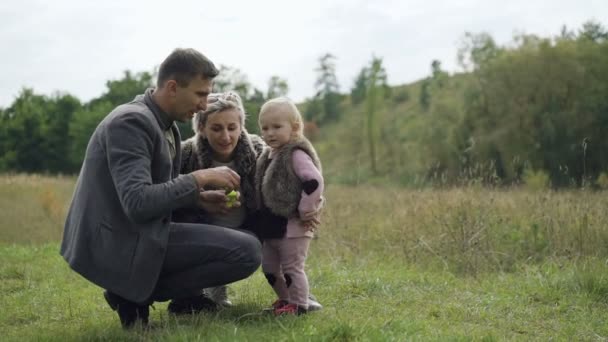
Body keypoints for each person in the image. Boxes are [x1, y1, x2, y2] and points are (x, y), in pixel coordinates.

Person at [60, 48, 261, 329]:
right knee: (247, 251)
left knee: (248, 243)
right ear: (172, 87)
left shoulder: (164, 124)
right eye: (200, 95)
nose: (204, 105)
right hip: (117, 241)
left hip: (137, 231)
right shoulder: (131, 122)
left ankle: (132, 294)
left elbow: (159, 191)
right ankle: (129, 294)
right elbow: (138, 202)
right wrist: (200, 177)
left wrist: (198, 200)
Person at [175, 91, 323, 311]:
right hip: (201, 229)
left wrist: (313, 208)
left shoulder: (259, 150)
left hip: (249, 227)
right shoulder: (186, 154)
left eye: (232, 128)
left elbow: (298, 179)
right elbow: (168, 191)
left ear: (241, 126)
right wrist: (198, 198)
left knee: (283, 258)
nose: (225, 137)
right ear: (201, 129)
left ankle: (297, 297)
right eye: (216, 128)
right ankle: (196, 293)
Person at [254, 97, 324, 315]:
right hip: (272, 226)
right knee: (270, 268)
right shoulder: (268, 154)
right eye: (264, 128)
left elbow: (314, 181)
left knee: (292, 268)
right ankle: (285, 299)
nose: (269, 133)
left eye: (276, 127)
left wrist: (306, 210)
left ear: (294, 128)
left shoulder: (295, 154)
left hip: (293, 225)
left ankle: (299, 305)